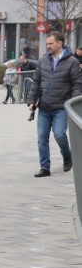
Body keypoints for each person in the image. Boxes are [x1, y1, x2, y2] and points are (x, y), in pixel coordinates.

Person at [27, 31, 82, 177]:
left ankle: (67, 156)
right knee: (42, 139)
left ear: (60, 43)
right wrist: (31, 101)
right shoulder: (43, 60)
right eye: (47, 44)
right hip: (44, 106)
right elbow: (36, 82)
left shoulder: (72, 62)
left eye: (51, 43)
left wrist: (72, 103)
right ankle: (45, 167)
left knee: (59, 135)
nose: (48, 46)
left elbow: (77, 85)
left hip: (62, 107)